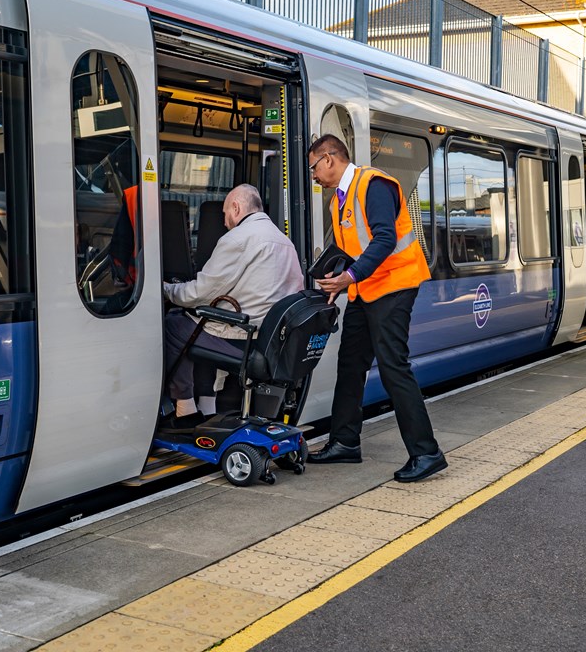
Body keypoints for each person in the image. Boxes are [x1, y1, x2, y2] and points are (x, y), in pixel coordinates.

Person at [306, 134, 446, 483]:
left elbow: (384, 239)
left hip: (395, 286)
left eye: (313, 167)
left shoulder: (374, 185)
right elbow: (352, 249)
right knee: (351, 363)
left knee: (392, 366)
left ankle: (426, 452)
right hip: (364, 291)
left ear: (329, 158)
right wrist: (335, 281)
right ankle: (344, 442)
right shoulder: (338, 202)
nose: (313, 176)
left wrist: (348, 277)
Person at [162, 184, 303, 428]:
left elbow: (198, 293)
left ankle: (184, 409)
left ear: (236, 208)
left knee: (176, 325)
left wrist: (165, 289)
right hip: (272, 342)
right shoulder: (283, 241)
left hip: (244, 340)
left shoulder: (238, 238)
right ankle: (208, 406)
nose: (225, 222)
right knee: (201, 325)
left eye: (225, 213)